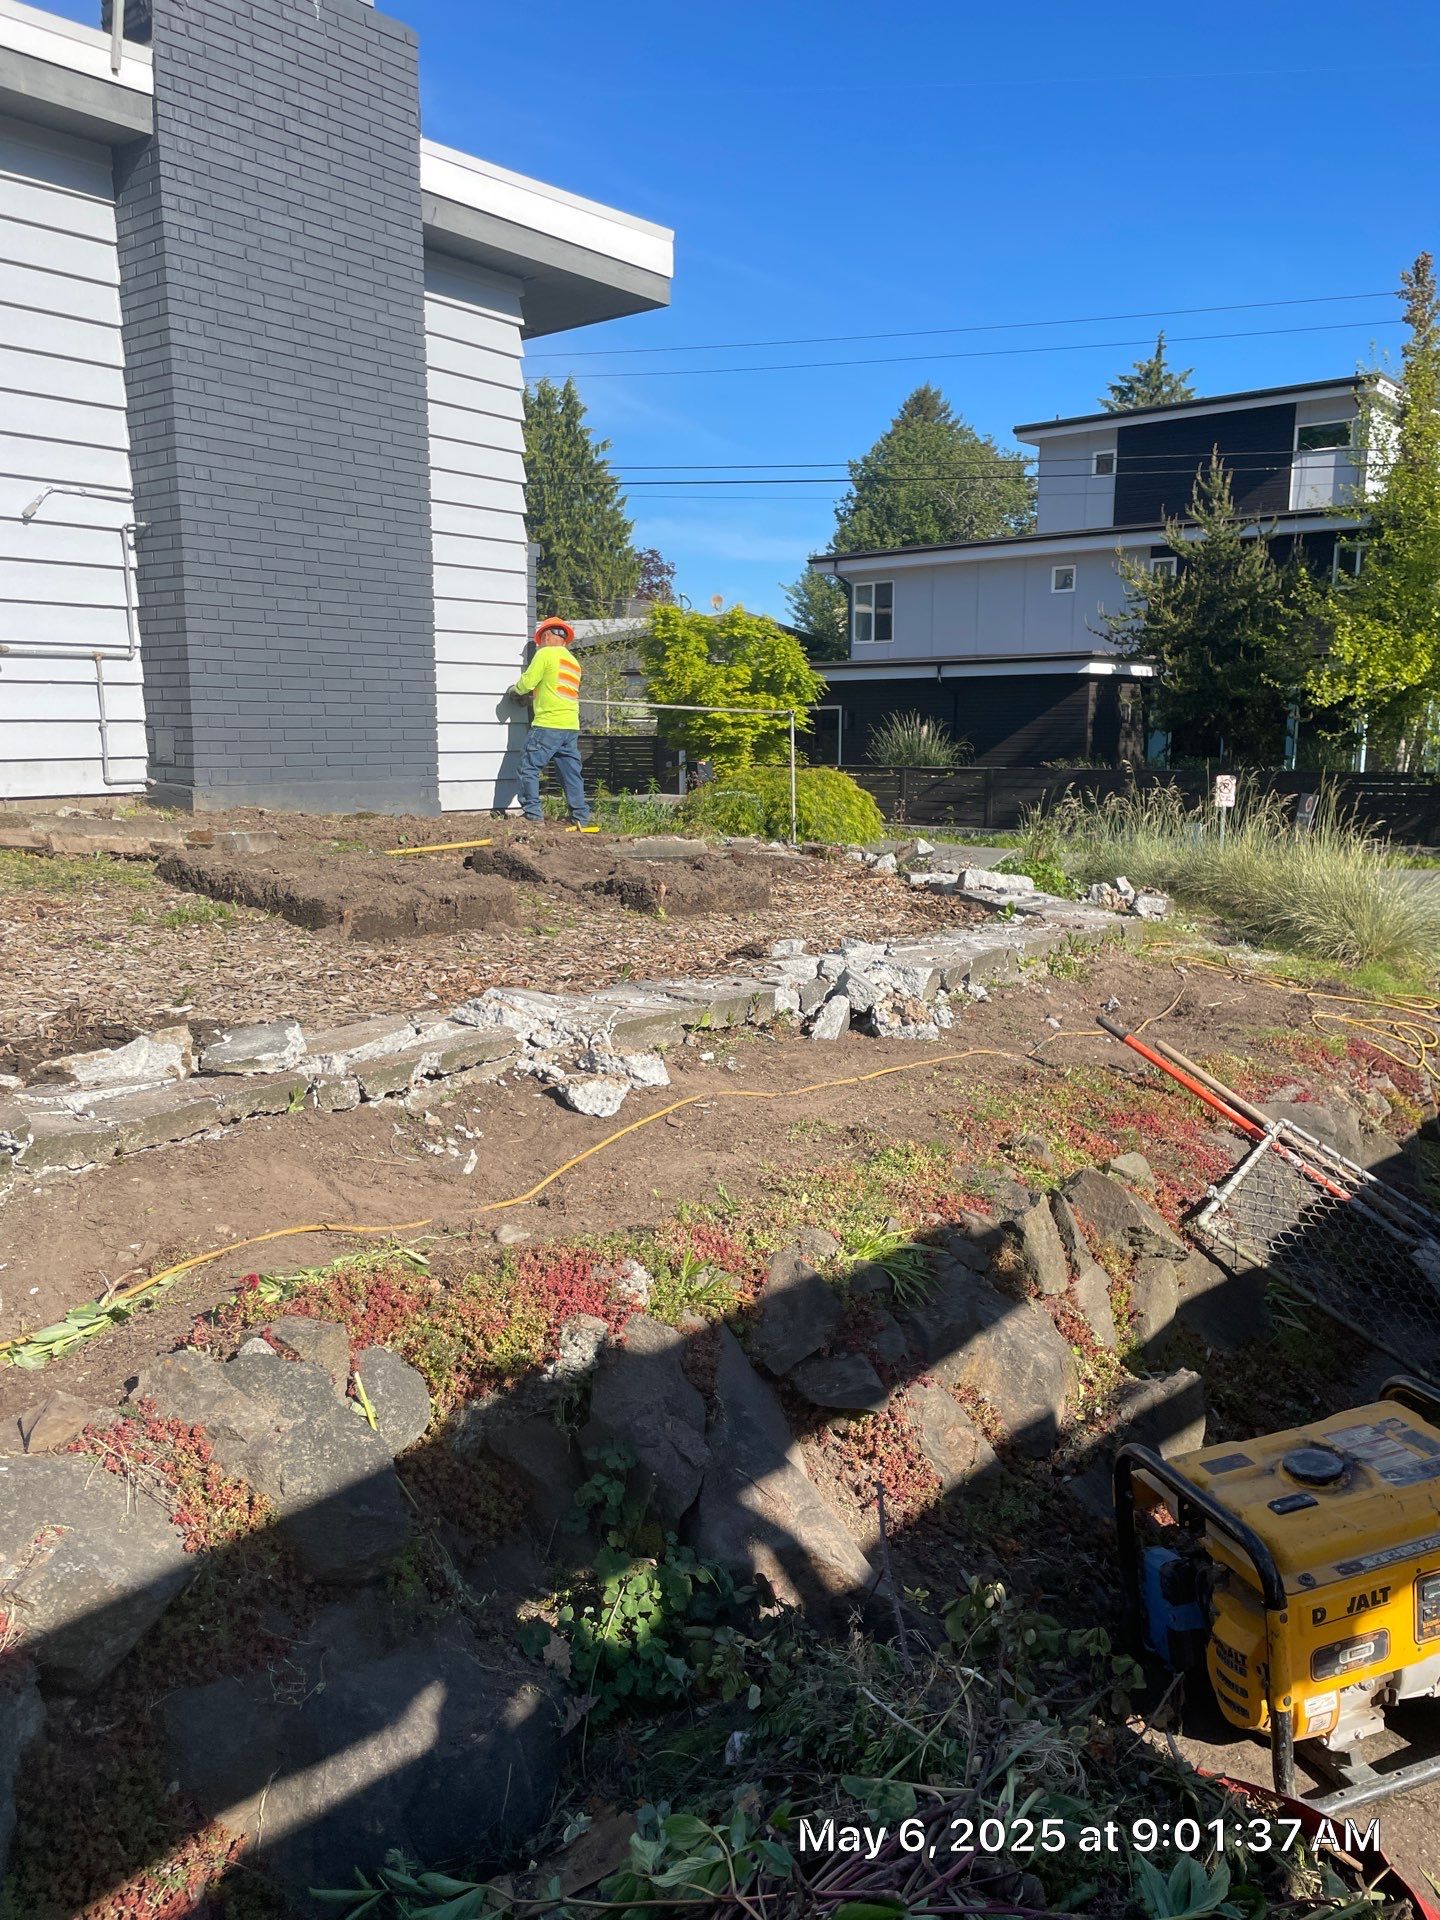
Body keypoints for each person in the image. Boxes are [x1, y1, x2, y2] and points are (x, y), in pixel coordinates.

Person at [509, 617, 596, 829]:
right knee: (570, 773)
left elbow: (527, 684)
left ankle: (532, 815)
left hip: (549, 723)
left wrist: (515, 691)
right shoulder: (573, 662)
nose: (540, 644)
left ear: (547, 636)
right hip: (569, 726)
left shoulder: (545, 653)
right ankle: (579, 817)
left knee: (528, 767)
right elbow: (553, 688)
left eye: (541, 640)